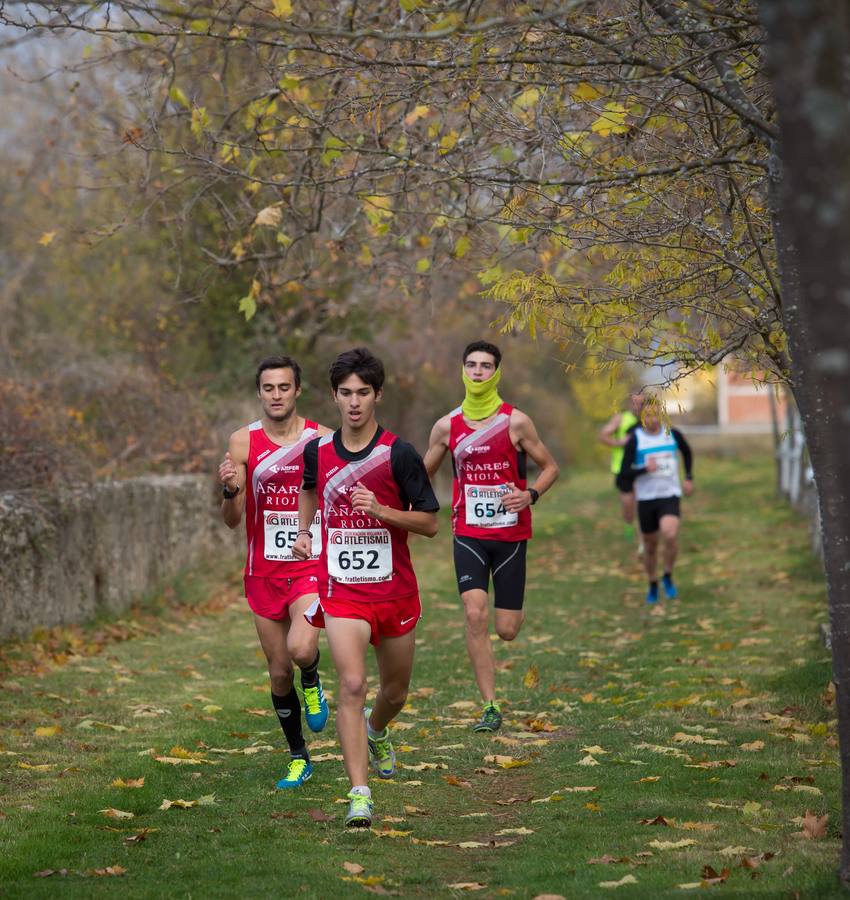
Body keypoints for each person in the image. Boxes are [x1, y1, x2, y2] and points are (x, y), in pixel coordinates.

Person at [293, 347, 439, 828]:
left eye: (363, 393)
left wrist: (382, 512)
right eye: (345, 394)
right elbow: (310, 489)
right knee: (352, 684)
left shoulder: (399, 453)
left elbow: (430, 524)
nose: (354, 403)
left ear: (377, 395)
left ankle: (378, 729)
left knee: (394, 692)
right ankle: (359, 793)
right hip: (343, 592)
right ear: (334, 397)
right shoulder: (318, 450)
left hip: (394, 592)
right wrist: (304, 529)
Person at [423, 341, 559, 733]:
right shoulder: (447, 426)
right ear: (462, 370)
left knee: (507, 629)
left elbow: (550, 467)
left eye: (485, 366)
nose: (478, 372)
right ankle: (489, 706)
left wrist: (530, 494)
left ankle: (512, 612)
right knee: (474, 613)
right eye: (471, 365)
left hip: (511, 534)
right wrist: (412, 506)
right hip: (467, 532)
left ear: (496, 372)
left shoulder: (516, 422)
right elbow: (421, 473)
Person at [219, 355, 332, 789]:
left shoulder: (321, 439)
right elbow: (232, 518)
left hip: (309, 565)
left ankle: (314, 679)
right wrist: (230, 489)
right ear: (260, 392)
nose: (277, 395)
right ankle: (298, 756)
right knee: (279, 671)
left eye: (284, 387)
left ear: (297, 390)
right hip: (263, 571)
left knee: (302, 650)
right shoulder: (243, 442)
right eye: (269, 388)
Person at [618, 398, 693, 604]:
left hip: (669, 495)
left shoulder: (672, 434)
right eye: (647, 416)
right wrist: (644, 469)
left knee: (670, 534)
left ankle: (668, 575)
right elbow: (624, 472)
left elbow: (687, 452)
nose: (652, 419)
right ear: (642, 417)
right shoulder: (636, 439)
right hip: (646, 498)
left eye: (655, 414)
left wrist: (688, 477)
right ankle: (652, 582)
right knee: (650, 546)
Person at [599, 389, 646, 548]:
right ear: (629, 403)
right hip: (622, 469)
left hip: (641, 468)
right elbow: (603, 435)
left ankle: (642, 542)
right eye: (635, 403)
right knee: (628, 507)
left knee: (642, 506)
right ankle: (628, 525)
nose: (638, 407)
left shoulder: (648, 419)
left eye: (641, 403)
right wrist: (619, 443)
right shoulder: (620, 418)